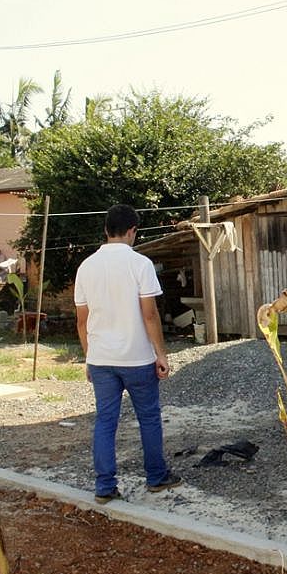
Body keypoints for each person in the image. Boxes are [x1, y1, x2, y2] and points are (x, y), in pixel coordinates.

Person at [74, 204, 181, 504]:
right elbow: (150, 315)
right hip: (137, 359)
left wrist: (88, 357)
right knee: (148, 417)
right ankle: (156, 477)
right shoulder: (140, 264)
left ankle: (105, 486)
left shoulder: (86, 267)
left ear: (106, 230)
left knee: (105, 421)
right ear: (132, 230)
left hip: (101, 360)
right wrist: (161, 353)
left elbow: (82, 321)